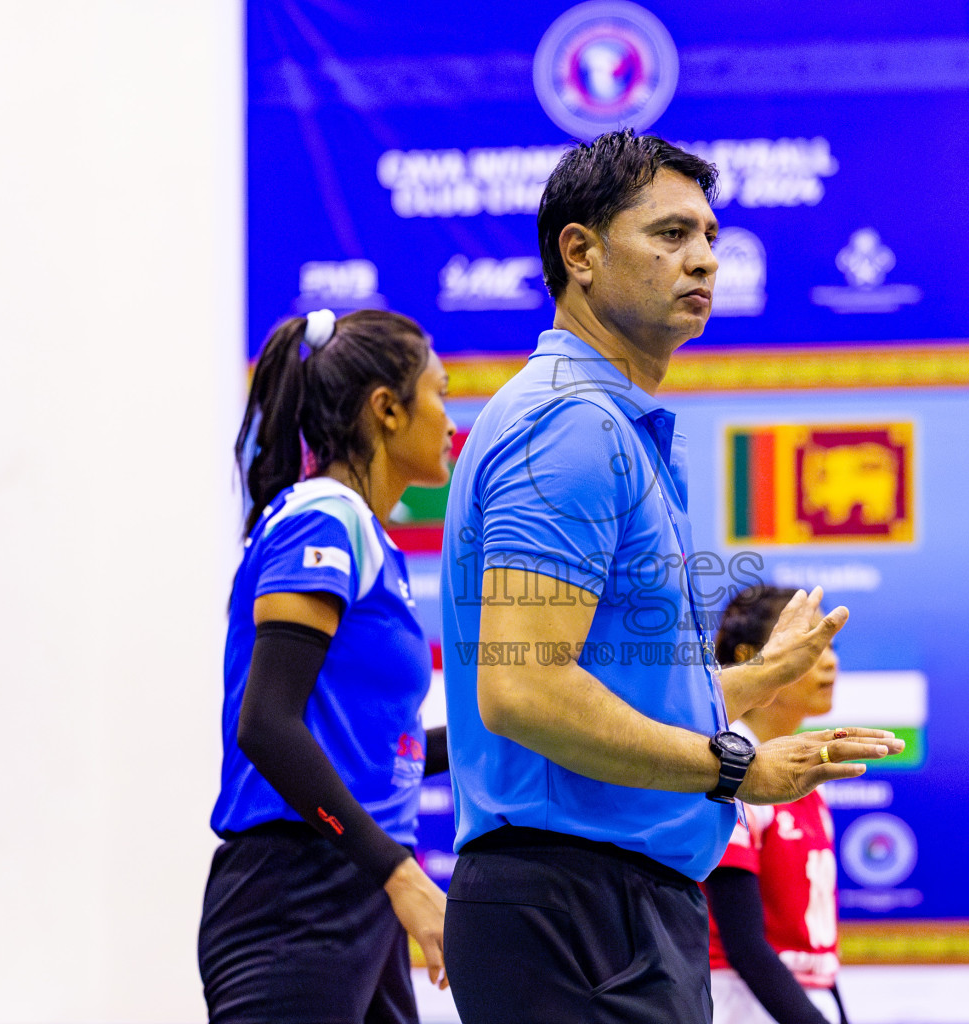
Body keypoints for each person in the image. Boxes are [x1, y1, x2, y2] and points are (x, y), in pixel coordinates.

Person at [438, 129, 905, 1024]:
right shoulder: (569, 427)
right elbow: (525, 690)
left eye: (710, 238)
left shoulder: (611, 426)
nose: (703, 260)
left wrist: (758, 680)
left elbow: (613, 688)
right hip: (577, 909)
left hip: (607, 906)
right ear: (579, 252)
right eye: (669, 234)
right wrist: (735, 768)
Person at [198, 308, 457, 1024]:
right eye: (440, 394)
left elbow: (369, 752)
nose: (452, 421)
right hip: (297, 893)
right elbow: (268, 726)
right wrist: (400, 874)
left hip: (354, 890)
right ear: (386, 410)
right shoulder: (323, 518)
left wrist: (506, 741)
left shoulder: (363, 534)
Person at [706, 585, 849, 1024]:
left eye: (830, 646)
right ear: (753, 657)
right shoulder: (731, 768)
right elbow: (744, 946)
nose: (828, 662)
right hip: (742, 1002)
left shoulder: (806, 774)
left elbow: (813, 947)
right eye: (810, 646)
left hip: (801, 1001)